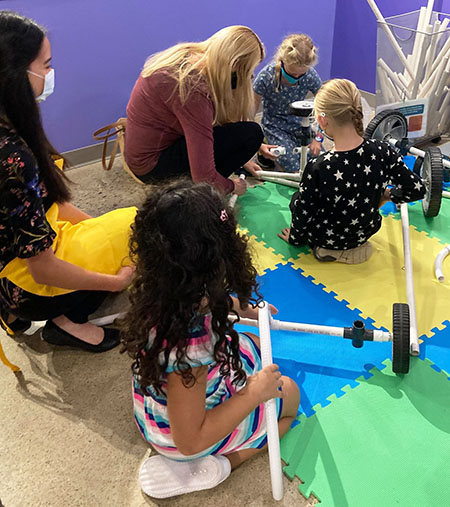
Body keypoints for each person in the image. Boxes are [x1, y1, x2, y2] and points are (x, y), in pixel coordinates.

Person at [121, 179, 299, 499]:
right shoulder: (190, 351)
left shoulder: (164, 289)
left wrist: (239, 306)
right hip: (183, 441)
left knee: (251, 344)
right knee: (290, 396)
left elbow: (207, 296)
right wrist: (254, 395)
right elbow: (190, 438)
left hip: (155, 411)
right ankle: (226, 464)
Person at [0, 11, 136, 352]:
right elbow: (43, 269)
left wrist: (100, 230)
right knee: (136, 228)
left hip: (19, 256)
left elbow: (48, 202)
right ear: (16, 74)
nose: (50, 74)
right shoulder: (12, 157)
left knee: (118, 227)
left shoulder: (12, 131)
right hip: (24, 281)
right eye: (45, 65)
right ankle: (67, 320)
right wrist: (112, 281)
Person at [278, 78, 426, 264]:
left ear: (322, 121)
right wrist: (388, 195)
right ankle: (353, 247)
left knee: (296, 200)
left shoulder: (318, 166)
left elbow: (303, 212)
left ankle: (328, 251)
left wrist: (295, 239)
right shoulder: (383, 150)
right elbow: (417, 189)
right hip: (365, 231)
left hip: (327, 237)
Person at [124, 25, 277, 196]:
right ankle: (195, 197)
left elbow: (207, 125)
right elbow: (203, 177)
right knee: (251, 134)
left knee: (247, 136)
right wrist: (231, 186)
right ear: (235, 66)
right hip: (151, 166)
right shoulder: (192, 89)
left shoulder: (185, 56)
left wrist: (246, 155)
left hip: (142, 154)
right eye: (249, 71)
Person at [253, 34, 323, 172]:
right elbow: (250, 114)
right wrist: (256, 143)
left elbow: (325, 107)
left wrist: (318, 139)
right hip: (275, 126)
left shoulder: (310, 75)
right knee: (292, 164)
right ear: (282, 61)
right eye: (291, 73)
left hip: (301, 123)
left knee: (320, 161)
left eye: (300, 75)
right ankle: (265, 151)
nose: (296, 78)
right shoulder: (266, 77)